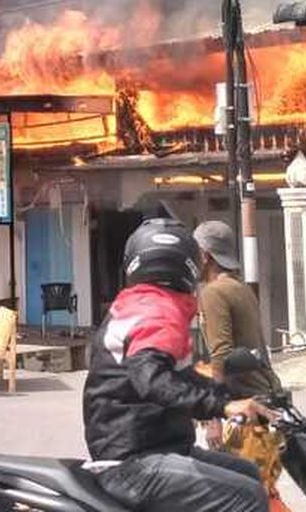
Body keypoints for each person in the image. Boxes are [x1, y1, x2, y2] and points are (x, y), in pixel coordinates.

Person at [83, 218, 273, 512]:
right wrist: (222, 408)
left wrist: (236, 400)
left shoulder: (145, 304)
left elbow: (181, 378)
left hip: (155, 448)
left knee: (247, 473)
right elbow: (153, 380)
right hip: (133, 463)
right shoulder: (157, 311)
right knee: (248, 497)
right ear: (190, 264)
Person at [194, 220, 276, 397]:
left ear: (205, 256)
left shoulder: (214, 292)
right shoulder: (240, 286)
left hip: (245, 399)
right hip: (266, 388)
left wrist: (216, 407)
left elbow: (222, 355)